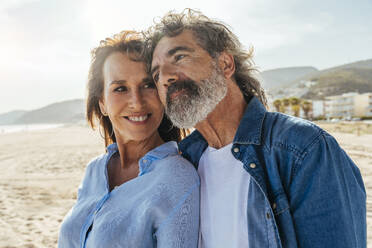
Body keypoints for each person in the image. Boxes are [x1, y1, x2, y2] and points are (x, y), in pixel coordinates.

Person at [147, 9, 366, 248]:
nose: (165, 77)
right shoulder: (184, 162)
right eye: (156, 74)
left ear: (225, 64)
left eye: (179, 57)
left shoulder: (303, 149)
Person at [58, 31, 200, 248]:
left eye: (148, 85)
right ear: (103, 103)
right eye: (120, 88)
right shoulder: (94, 171)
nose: (137, 102)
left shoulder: (178, 178)